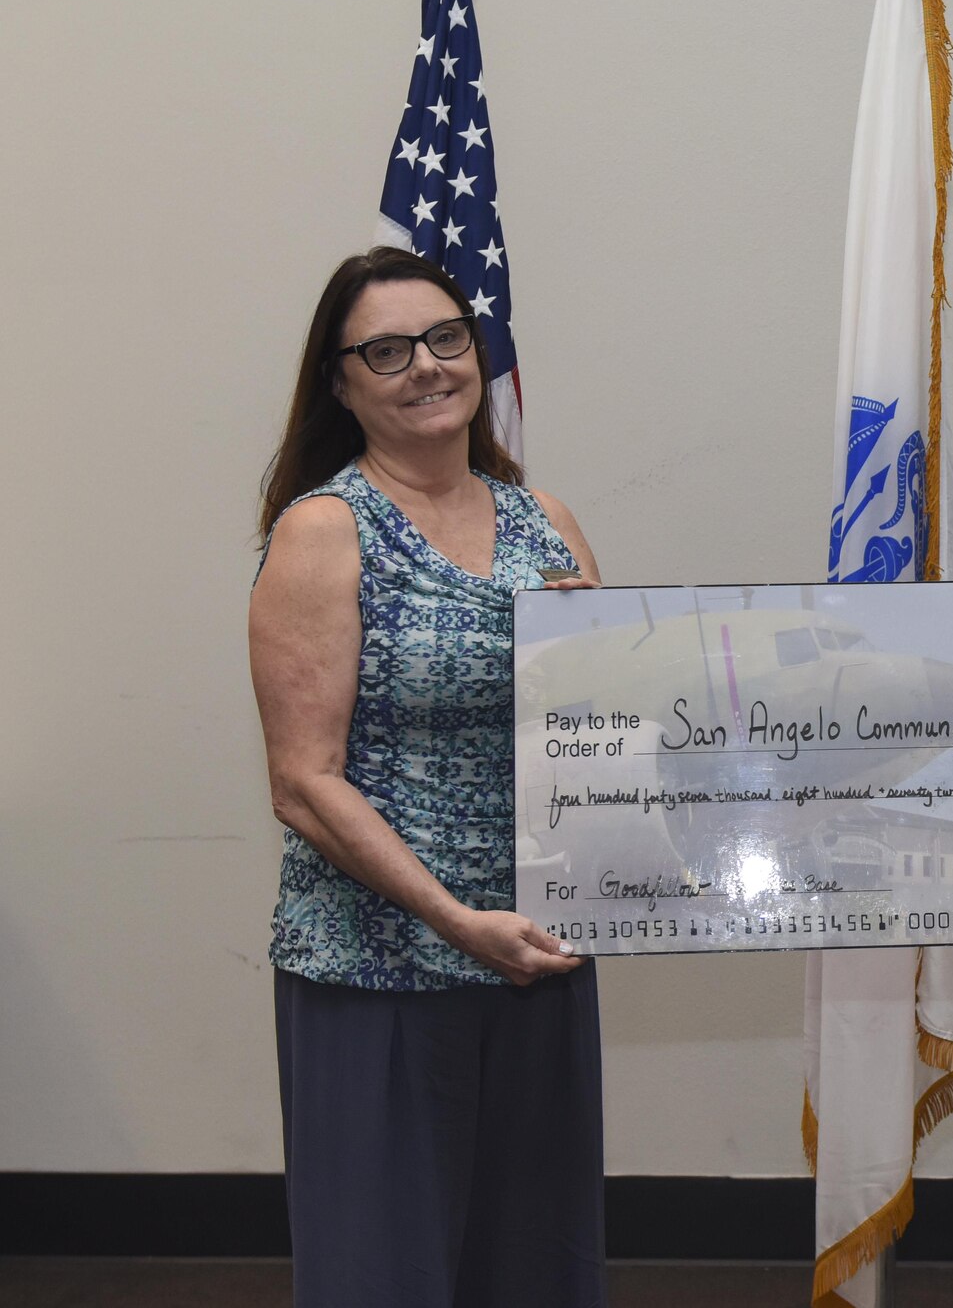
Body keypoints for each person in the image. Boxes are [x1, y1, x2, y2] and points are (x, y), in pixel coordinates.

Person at [249, 246, 608, 1307]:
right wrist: (455, 920)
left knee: (536, 1268)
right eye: (387, 350)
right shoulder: (324, 531)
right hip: (380, 973)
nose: (426, 367)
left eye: (446, 338)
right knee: (385, 1275)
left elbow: (606, 728)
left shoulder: (547, 520)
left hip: (538, 958)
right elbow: (302, 781)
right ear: (341, 380)